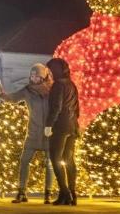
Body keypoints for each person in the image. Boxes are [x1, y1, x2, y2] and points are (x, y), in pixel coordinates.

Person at [0, 63, 55, 204]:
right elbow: (13, 98)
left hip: (49, 133)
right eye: (32, 76)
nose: (33, 78)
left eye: (37, 76)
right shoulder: (27, 90)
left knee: (50, 164)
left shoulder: (53, 90)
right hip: (33, 133)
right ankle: (21, 193)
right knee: (24, 162)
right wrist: (1, 93)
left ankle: (48, 194)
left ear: (44, 76)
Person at [45, 57, 80, 206]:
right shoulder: (71, 84)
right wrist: (74, 124)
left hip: (60, 126)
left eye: (50, 71)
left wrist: (48, 125)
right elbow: (77, 108)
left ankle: (65, 193)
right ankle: (70, 194)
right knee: (68, 159)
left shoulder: (58, 85)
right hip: (73, 126)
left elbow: (56, 107)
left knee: (56, 159)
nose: (49, 74)